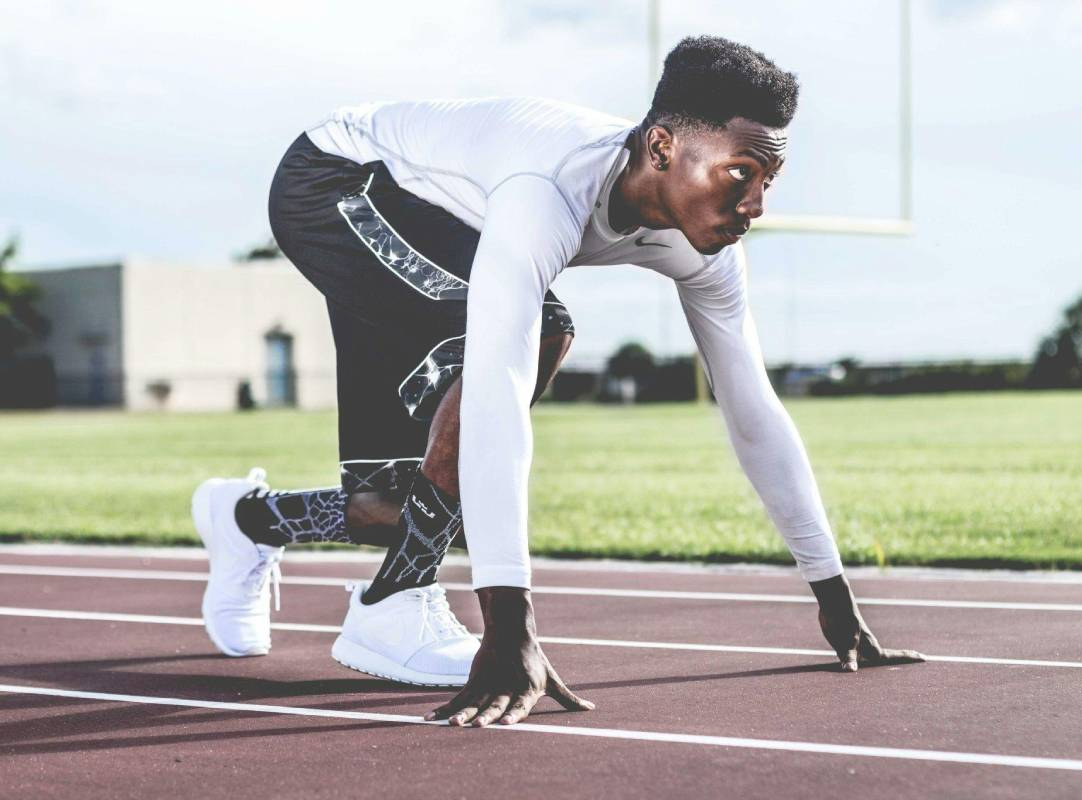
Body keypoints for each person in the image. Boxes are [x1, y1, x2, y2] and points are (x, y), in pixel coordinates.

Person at [191, 34, 923, 729]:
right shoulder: (548, 189)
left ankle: (247, 520)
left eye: (768, 180)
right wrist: (509, 628)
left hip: (441, 219)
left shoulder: (709, 251)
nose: (757, 204)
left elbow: (753, 410)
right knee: (539, 332)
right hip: (337, 182)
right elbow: (500, 390)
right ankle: (394, 600)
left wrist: (834, 600)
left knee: (393, 505)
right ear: (662, 146)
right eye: (740, 173)